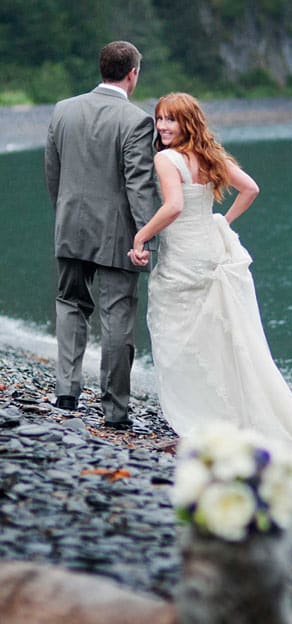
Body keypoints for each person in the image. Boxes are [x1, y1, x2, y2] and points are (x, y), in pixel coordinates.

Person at [128, 92, 292, 464]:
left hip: (184, 257)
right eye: (159, 119)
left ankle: (200, 418)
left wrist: (142, 235)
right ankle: (229, 417)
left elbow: (173, 206)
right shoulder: (210, 155)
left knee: (177, 335)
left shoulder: (166, 158)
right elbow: (250, 188)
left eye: (170, 120)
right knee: (216, 335)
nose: (161, 127)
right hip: (208, 249)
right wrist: (222, 221)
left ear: (186, 122)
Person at [45, 40, 159, 429]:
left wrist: (63, 214)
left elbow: (53, 173)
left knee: (70, 303)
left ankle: (66, 392)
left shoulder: (63, 110)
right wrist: (146, 239)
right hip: (117, 237)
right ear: (133, 74)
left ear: (102, 68)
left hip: (69, 226)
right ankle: (114, 410)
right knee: (117, 318)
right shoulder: (136, 120)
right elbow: (139, 186)